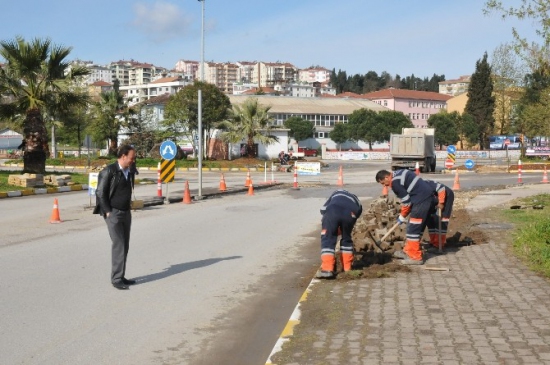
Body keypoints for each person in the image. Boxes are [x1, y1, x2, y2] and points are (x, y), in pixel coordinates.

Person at [93, 145, 137, 290]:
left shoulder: (129, 170)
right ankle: (116, 279)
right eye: (131, 157)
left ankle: (121, 275)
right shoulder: (109, 171)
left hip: (126, 212)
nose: (133, 160)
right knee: (118, 244)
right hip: (114, 213)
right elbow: (100, 192)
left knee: (125, 244)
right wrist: (107, 211)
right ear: (123, 156)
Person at [375, 169, 438, 265]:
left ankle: (415, 258)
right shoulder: (399, 172)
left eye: (383, 183)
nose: (385, 186)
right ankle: (408, 251)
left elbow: (407, 202)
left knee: (413, 229)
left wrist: (402, 215)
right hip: (427, 198)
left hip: (421, 201)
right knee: (414, 227)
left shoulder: (395, 183)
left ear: (387, 177)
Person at [318, 189, 363, 279]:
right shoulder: (357, 200)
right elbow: (356, 215)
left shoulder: (336, 193)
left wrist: (329, 226)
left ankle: (327, 269)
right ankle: (347, 268)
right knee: (346, 239)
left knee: (328, 239)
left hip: (333, 212)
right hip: (350, 215)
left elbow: (323, 210)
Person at [424, 179, 455, 252]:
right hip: (435, 198)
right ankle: (433, 242)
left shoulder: (425, 185)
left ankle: (439, 244)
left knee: (442, 220)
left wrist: (441, 202)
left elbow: (441, 188)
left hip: (446, 195)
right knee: (431, 219)